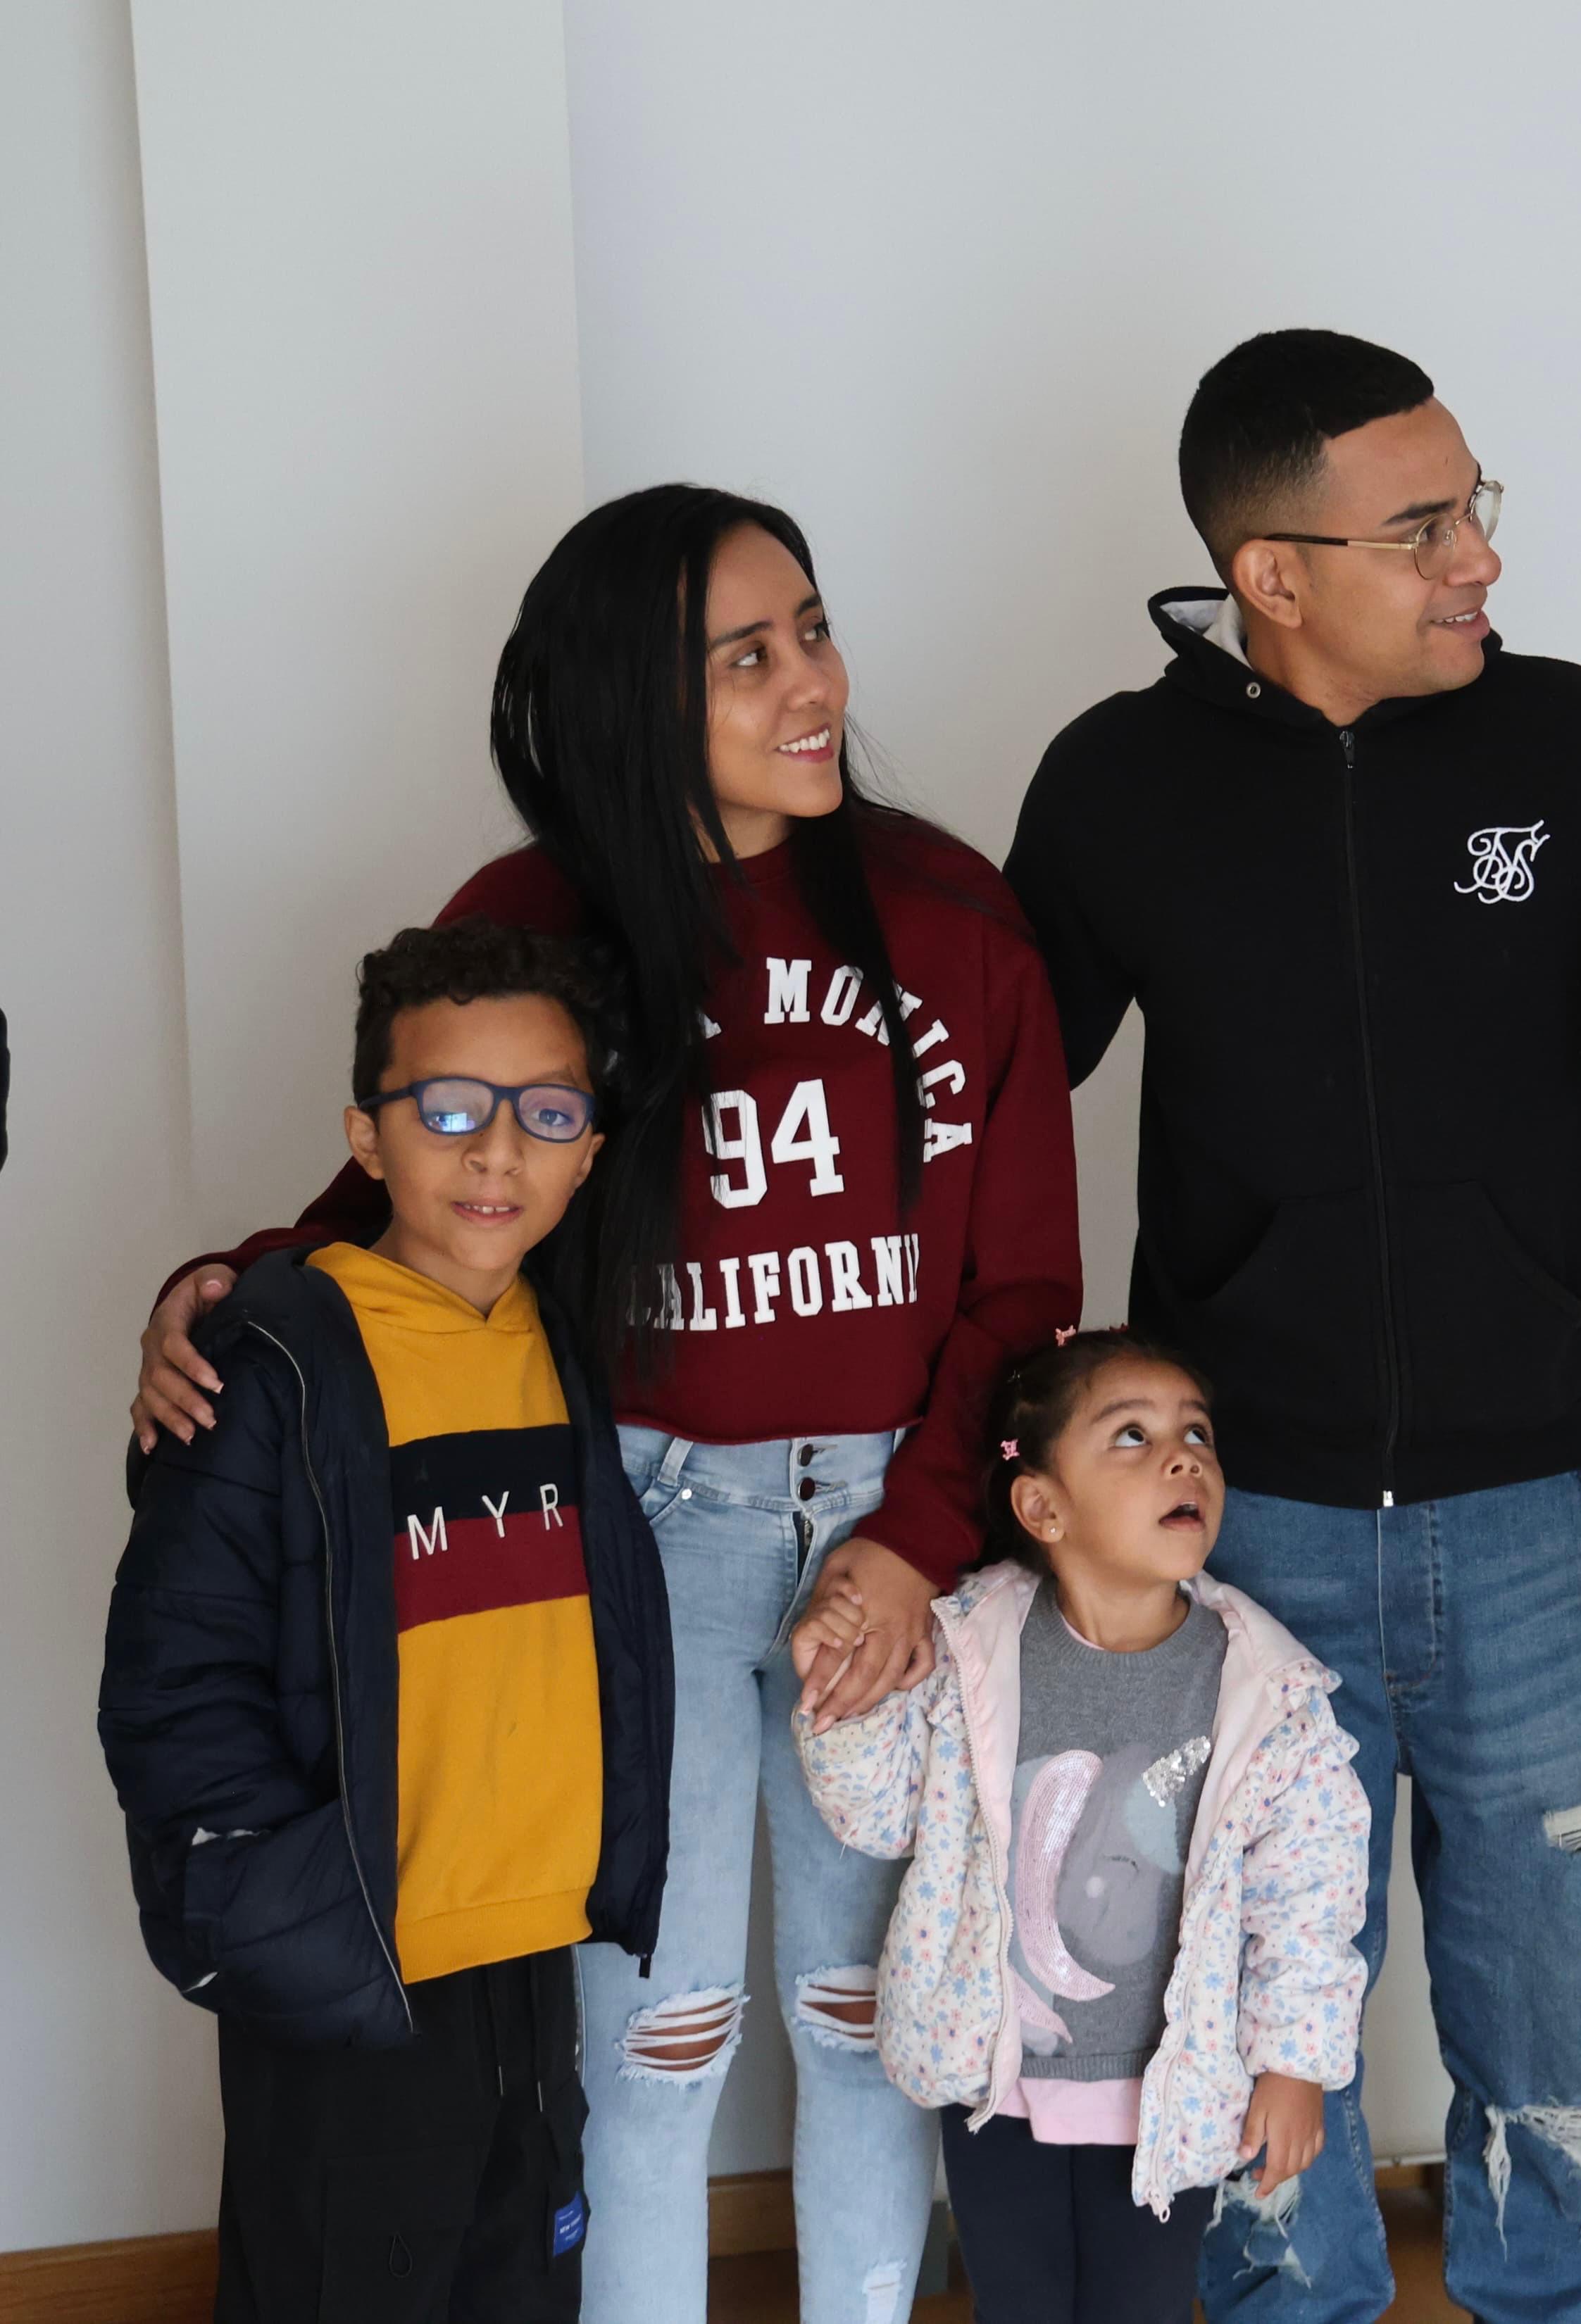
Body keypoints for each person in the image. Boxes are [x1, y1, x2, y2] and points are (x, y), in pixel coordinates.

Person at [127, 487, 1083, 2324]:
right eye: (748, 657)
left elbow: (1025, 1288)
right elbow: (426, 1194)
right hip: (631, 1535)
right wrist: (237, 1282)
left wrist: (912, 1537)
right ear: (630, 696)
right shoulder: (533, 916)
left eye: (814, 629)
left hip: (893, 1535)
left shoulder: (954, 915)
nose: (814, 684)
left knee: (866, 2018)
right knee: (653, 2030)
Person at [1004, 327, 1581, 2324]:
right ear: (1272, 573)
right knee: (1255, 2010)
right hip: (1240, 1528)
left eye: (1473, 508)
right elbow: (998, 1097)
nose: (1478, 561)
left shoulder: (1571, 739)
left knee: (1560, 2030)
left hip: (1547, 1512)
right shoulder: (1116, 785)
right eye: (1421, 527)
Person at [99, 921, 674, 2322]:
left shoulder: (563, 1344)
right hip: (350, 1955)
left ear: (588, 1153)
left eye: (546, 1115)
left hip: (530, 1949)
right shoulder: (274, 1355)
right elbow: (177, 1676)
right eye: (450, 1109)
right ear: (366, 1134)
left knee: (518, 2284)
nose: (497, 1153)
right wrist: (277, 1906)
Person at [794, 1327, 1370, 2324]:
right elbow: (881, 1815)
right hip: (996, 2082)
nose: (1183, 1457)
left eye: (1197, 1433)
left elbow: (1309, 1897)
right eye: (1133, 1436)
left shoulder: (1266, 1689)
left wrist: (1295, 2063)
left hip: (1167, 2099)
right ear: (1042, 1507)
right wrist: (843, 1694)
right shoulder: (971, 1645)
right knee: (1016, 2305)